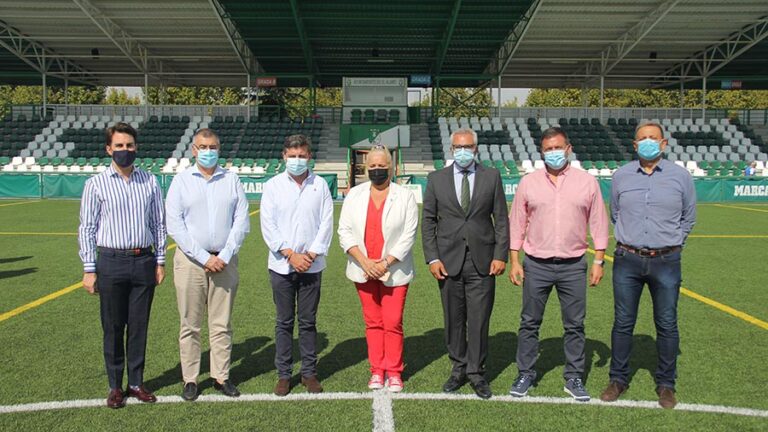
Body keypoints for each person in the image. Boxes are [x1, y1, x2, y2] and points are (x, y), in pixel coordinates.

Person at [507, 127, 609, 401]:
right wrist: (514, 260)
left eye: (557, 148)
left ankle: (573, 377)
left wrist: (599, 260)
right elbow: (516, 221)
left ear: (569, 148)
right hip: (535, 264)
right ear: (542, 152)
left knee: (575, 324)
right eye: (547, 149)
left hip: (574, 264)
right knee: (529, 322)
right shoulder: (529, 182)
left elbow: (599, 222)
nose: (553, 153)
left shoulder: (587, 182)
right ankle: (525, 372)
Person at [601, 121, 696, 409]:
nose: (647, 143)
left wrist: (672, 241)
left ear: (664, 143)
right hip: (627, 260)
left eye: (653, 138)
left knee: (666, 323)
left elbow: (688, 218)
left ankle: (666, 384)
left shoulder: (681, 177)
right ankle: (618, 379)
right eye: (642, 139)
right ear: (634, 145)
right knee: (623, 322)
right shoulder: (621, 176)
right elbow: (615, 213)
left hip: (666, 261)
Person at [78, 122, 166, 409]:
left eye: (129, 145)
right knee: (113, 327)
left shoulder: (150, 182)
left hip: (143, 260)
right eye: (119, 146)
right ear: (108, 149)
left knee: (139, 326)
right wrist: (89, 268)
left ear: (135, 147)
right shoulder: (95, 185)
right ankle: (115, 386)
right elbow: (87, 228)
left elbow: (158, 223)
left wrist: (160, 260)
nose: (125, 150)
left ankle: (137, 383)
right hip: (111, 262)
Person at [422, 128, 509, 399]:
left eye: (468, 146)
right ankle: (458, 368)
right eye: (458, 146)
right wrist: (433, 257)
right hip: (447, 261)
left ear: (476, 149)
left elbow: (501, 220)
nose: (463, 151)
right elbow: (428, 221)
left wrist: (500, 255)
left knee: (479, 319)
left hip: (483, 261)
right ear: (451, 150)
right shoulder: (436, 179)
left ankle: (476, 372)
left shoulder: (491, 176)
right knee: (454, 319)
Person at [166, 128, 250, 401]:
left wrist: (224, 255)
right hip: (191, 261)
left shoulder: (231, 180)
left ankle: (221, 376)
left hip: (225, 261)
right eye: (203, 147)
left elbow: (241, 221)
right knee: (190, 324)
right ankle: (190, 378)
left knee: (221, 323)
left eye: (213, 146)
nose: (208, 151)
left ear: (219, 148)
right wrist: (204, 257)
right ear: (193, 150)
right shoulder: (181, 181)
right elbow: (175, 225)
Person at [338, 146, 418, 393]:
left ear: (391, 168)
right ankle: (376, 370)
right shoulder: (354, 195)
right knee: (372, 322)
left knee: (392, 322)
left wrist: (384, 263)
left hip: (395, 270)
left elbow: (408, 235)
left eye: (381, 166)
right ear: (365, 168)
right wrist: (364, 262)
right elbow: (344, 231)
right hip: (362, 269)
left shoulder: (405, 196)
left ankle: (394, 372)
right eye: (371, 166)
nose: (376, 170)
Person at [260, 134, 333, 396]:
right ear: (284, 156)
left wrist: (310, 255)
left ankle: (309, 373)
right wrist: (291, 254)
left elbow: (326, 224)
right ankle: (283, 374)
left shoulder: (321, 185)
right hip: (281, 265)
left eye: (301, 155)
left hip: (312, 266)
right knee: (283, 322)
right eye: (292, 156)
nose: (297, 160)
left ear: (309, 156)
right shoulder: (272, 186)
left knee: (308, 321)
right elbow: (268, 226)